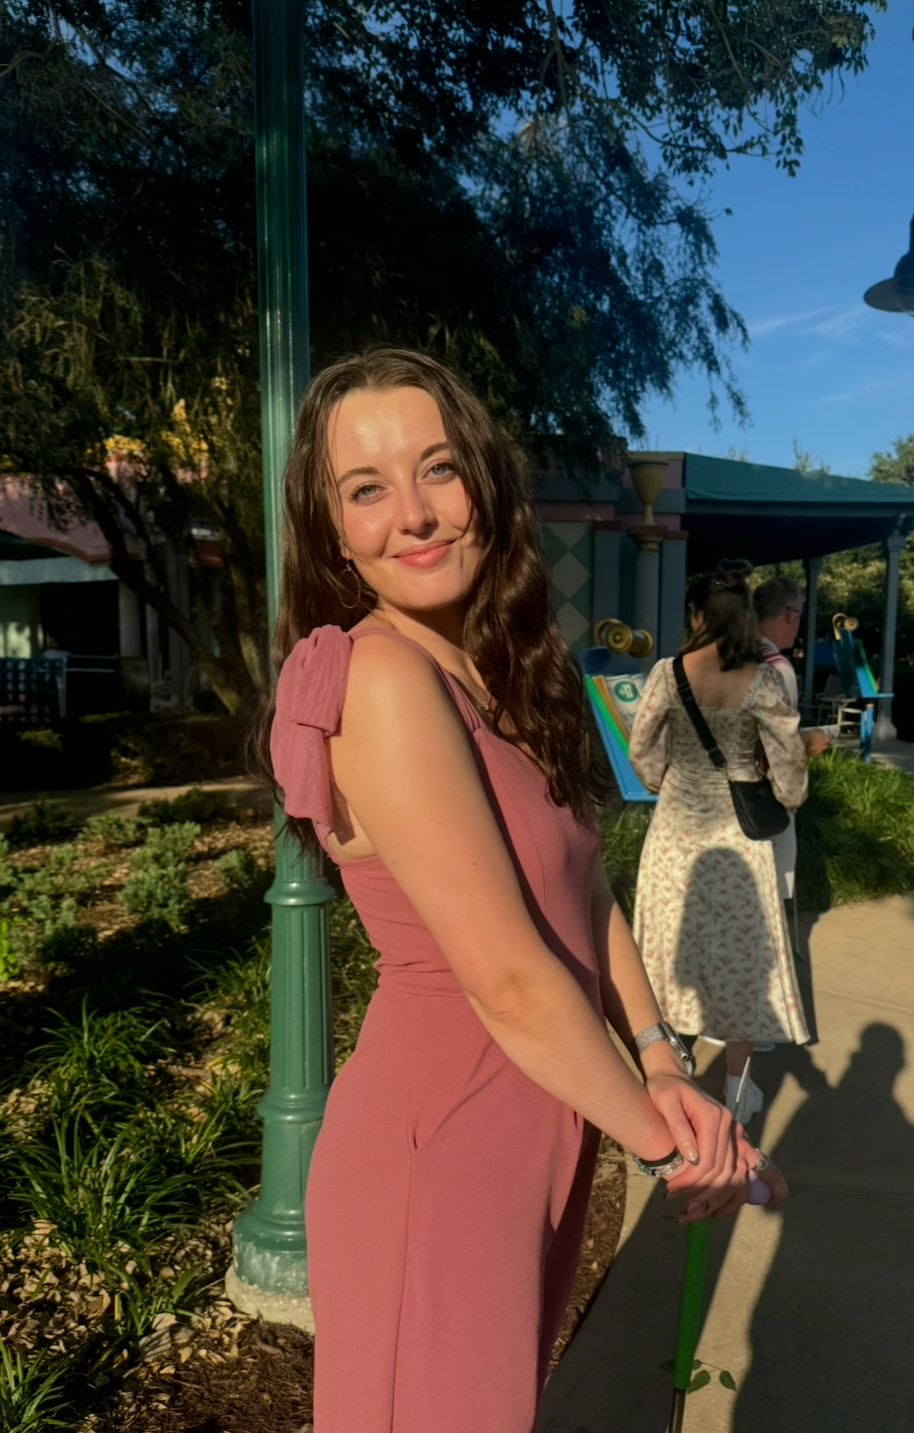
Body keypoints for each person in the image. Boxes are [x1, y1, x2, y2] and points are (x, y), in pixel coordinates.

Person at [255, 352, 784, 1433]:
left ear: (484, 485)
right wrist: (667, 1142)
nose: (410, 513)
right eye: (365, 488)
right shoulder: (384, 677)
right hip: (437, 1145)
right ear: (330, 530)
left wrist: (653, 1056)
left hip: (536, 1117)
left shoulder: (493, 666)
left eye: (436, 469)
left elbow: (580, 881)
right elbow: (500, 971)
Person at [629, 560, 810, 1127]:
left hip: (674, 837)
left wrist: (666, 782)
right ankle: (736, 1091)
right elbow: (788, 767)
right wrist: (784, 796)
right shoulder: (762, 678)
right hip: (738, 839)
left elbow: (641, 749)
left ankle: (672, 1084)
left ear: (697, 614)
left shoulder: (667, 671)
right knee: (740, 963)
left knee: (667, 958)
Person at [752, 574, 829, 903]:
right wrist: (805, 741)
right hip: (766, 797)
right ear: (789, 614)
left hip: (721, 797)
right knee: (773, 892)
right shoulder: (778, 668)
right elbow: (779, 744)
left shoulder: (728, 658)